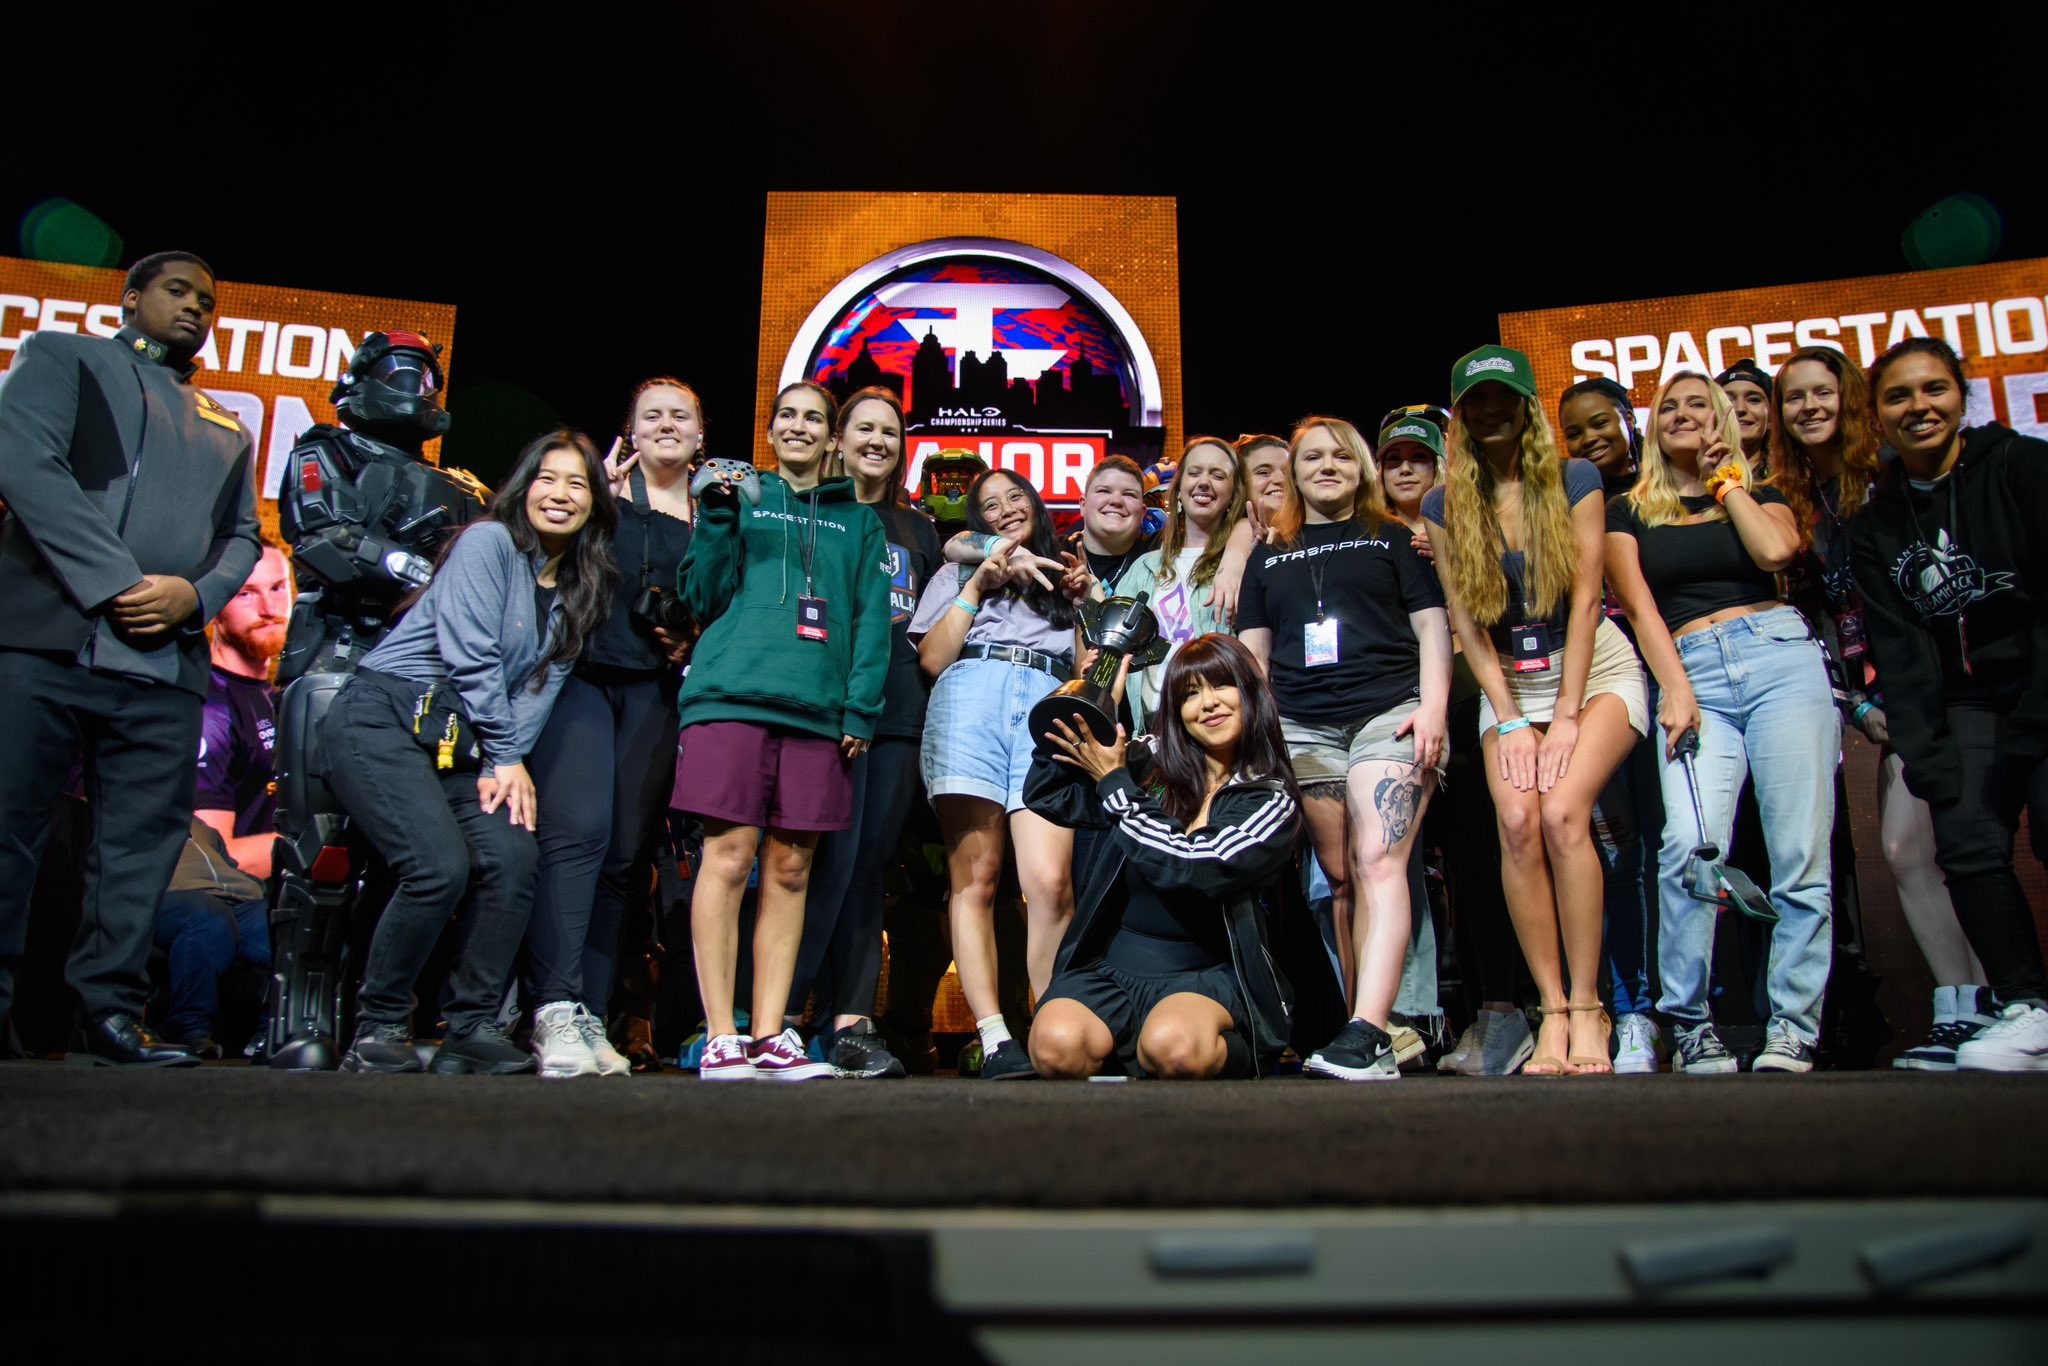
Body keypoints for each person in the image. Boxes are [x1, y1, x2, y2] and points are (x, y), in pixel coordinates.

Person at [0, 250, 261, 1067]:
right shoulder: (65, 358)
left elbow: (244, 536)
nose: (195, 307)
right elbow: (24, 463)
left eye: (208, 300)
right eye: (177, 291)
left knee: (139, 849)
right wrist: (114, 582)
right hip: (49, 637)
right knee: (9, 832)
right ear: (132, 297)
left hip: (162, 665)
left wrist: (194, 595)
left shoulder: (225, 423)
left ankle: (108, 1015)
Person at [322, 431, 617, 1074]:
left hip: (461, 742)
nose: (560, 494)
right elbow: (473, 658)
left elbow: (538, 692)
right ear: (523, 487)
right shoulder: (489, 543)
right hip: (386, 715)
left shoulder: (578, 587)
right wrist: (506, 758)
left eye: (577, 483)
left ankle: (472, 1026)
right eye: (547, 478)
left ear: (596, 501)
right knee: (437, 865)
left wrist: (501, 766)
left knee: (513, 854)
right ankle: (379, 1026)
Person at [1604, 372, 1836, 1074]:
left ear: (1721, 420)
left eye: (1697, 404)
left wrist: (1731, 483)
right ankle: (1692, 1022)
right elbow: (1639, 607)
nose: (1682, 415)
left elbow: (1774, 555)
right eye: (1667, 407)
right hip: (1692, 670)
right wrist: (1674, 688)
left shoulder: (1759, 494)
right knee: (1688, 847)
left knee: (1800, 856)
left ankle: (1793, 1026)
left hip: (1780, 660)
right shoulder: (1627, 510)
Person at [1426, 346, 1648, 1077]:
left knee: (1561, 815)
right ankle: (1549, 1009)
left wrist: (1572, 712)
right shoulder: (1443, 504)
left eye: (1503, 398)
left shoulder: (1575, 478)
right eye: (1475, 401)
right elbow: (1468, 625)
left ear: (1526, 406)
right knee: (1517, 822)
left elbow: (1587, 599)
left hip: (1592, 667)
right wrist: (1514, 719)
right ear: (1460, 415)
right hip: (1510, 684)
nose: (1490, 411)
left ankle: (1589, 1007)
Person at [676, 380, 891, 1081]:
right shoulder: (740, 497)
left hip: (818, 710)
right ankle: (720, 1033)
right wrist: (712, 516)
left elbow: (868, 623)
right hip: (732, 695)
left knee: (792, 869)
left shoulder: (859, 521)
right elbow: (700, 596)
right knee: (730, 859)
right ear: (770, 431)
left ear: (833, 439)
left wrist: (859, 709)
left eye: (814, 419)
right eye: (787, 416)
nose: (799, 427)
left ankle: (771, 1033)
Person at [1850, 337, 2048, 1071]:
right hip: (1966, 704)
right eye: (1898, 396)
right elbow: (1900, 649)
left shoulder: (2023, 468)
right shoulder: (1878, 523)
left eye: (1933, 389)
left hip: (2039, 684)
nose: (1918, 406)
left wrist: (2034, 724)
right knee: (1965, 844)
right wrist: (1924, 750)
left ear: (1962, 397)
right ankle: (2028, 1007)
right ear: (1878, 417)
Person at [1236, 416, 1451, 1080]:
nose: (1326, 466)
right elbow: (1254, 654)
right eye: (1311, 458)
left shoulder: (1394, 538)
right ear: (1292, 474)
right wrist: (1257, 736)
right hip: (1302, 728)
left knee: (1378, 858)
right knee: (1338, 879)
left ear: (1361, 468)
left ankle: (1374, 1028)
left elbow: (1432, 630)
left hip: (1389, 714)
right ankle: (1368, 1023)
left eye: (1341, 456)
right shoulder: (1268, 554)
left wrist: (1434, 708)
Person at [520, 379, 697, 1078]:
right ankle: (550, 1005)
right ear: (631, 428)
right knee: (579, 841)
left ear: (699, 435)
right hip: (584, 679)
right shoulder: (599, 500)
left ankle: (588, 1013)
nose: (665, 425)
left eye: (679, 415)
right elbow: (543, 563)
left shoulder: (719, 515)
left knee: (626, 858)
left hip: (655, 694)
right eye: (651, 414)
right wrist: (599, 507)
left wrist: (694, 636)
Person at [1026, 636, 1300, 1078]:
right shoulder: (1151, 765)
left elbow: (1195, 867)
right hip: (1115, 968)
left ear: (1250, 692)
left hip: (1207, 973)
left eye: (1221, 686)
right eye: (1190, 694)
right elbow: (1050, 794)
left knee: (1174, 1048)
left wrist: (1117, 788)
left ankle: (1248, 1051)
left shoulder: (1269, 797)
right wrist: (1097, 708)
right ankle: (1125, 1050)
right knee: (1054, 1048)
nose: (1208, 703)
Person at [910, 468, 1090, 1080]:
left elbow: (1094, 670)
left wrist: (1086, 601)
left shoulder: (1068, 575)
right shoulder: (959, 570)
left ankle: (1051, 1028)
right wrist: (977, 585)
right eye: (989, 505)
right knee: (977, 879)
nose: (1006, 508)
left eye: (1015, 496)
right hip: (970, 697)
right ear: (979, 522)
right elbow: (932, 658)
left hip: (1046, 705)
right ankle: (993, 1037)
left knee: (1049, 884)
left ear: (1036, 505)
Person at [791, 386, 943, 1078]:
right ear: (838, 439)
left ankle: (850, 1019)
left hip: (900, 713)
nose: (877, 441)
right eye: (864, 429)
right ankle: (781, 1012)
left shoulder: (921, 532)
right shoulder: (809, 510)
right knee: (813, 862)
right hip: (822, 709)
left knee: (868, 868)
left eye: (890, 431)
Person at [1556, 378, 1663, 1073]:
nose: (1592, 437)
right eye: (1577, 430)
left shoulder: (1663, 496)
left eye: (1603, 422)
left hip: (1665, 673)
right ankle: (1634, 1009)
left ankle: (1700, 1009)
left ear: (1629, 419)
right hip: (1593, 676)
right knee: (1615, 844)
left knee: (1677, 847)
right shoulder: (1572, 496)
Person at [150, 540, 291, 1056]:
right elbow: (216, 854)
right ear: (218, 602)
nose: (268, 606)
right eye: (246, 593)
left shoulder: (282, 694)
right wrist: (305, 844)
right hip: (199, 891)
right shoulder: (211, 705)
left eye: (278, 588)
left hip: (255, 894)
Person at [1118, 436, 1246, 734]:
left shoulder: (1244, 560)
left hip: (1219, 723)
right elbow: (1113, 642)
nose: (1204, 482)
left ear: (1233, 494)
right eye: (1195, 472)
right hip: (1156, 729)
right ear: (1177, 489)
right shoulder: (1145, 566)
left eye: (1217, 475)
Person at [1717, 358, 1775, 472]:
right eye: (1728, 401)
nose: (1740, 409)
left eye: (1753, 400)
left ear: (1772, 415)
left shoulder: (1795, 476)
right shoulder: (1696, 479)